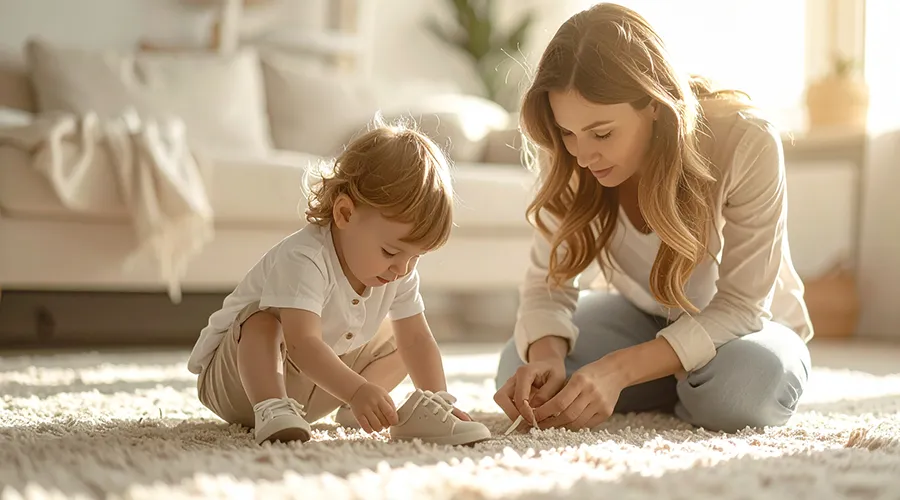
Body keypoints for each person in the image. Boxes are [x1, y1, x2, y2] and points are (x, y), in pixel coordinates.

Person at [493, 2, 813, 434]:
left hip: (742, 329)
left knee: (746, 389)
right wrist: (548, 355)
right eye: (568, 133)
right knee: (521, 366)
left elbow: (741, 304)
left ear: (655, 103)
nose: (583, 155)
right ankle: (678, 382)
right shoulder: (572, 155)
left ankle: (673, 384)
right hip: (641, 319)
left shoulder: (744, 140)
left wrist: (619, 371)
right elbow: (547, 283)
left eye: (603, 133)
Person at [188, 121, 490, 446]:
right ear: (345, 214)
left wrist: (439, 401)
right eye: (391, 251)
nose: (403, 268)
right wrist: (358, 388)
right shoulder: (305, 257)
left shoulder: (397, 269)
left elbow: (417, 339)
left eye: (416, 257)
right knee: (263, 322)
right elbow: (302, 344)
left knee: (404, 339)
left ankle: (358, 410)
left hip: (316, 387)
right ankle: (272, 407)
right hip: (237, 381)